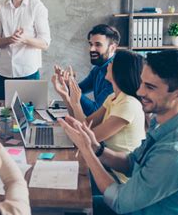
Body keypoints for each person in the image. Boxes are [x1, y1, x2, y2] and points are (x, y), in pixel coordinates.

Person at [48, 49, 178, 215]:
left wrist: (87, 150)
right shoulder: (166, 122)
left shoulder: (176, 152)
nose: (140, 91)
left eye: (150, 87)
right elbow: (132, 162)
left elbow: (119, 201)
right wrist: (96, 148)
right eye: (141, 83)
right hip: (138, 211)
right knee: (74, 209)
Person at [59, 50, 145, 184]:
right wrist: (66, 96)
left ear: (120, 71)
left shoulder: (128, 104)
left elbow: (87, 137)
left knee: (64, 177)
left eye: (112, 63)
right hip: (106, 166)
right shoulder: (113, 98)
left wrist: (76, 103)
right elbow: (86, 124)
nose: (109, 65)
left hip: (119, 177)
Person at [53, 24, 120, 115]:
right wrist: (67, 81)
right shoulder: (97, 69)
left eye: (98, 45)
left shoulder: (116, 75)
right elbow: (79, 90)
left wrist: (71, 84)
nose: (91, 49)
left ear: (112, 48)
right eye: (91, 44)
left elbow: (94, 111)